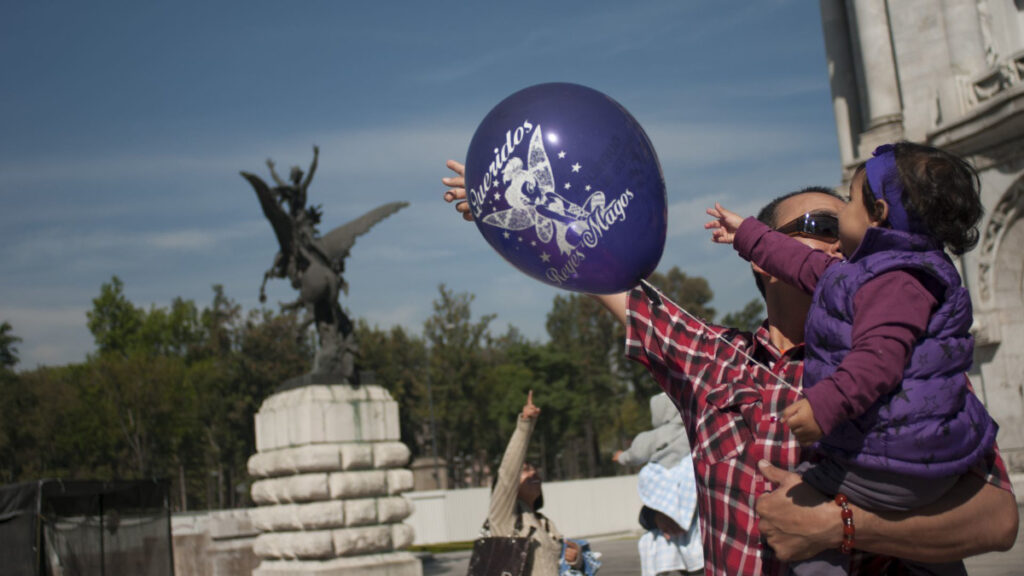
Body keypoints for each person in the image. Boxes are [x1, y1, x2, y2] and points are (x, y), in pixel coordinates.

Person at [442, 159, 1018, 575]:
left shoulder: (911, 359)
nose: (844, 243)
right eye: (820, 227)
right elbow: (599, 274)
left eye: (850, 221)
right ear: (767, 262)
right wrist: (508, 213)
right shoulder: (714, 357)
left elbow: (998, 520)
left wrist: (842, 526)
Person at [706, 142, 998, 574]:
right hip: (911, 462)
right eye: (817, 224)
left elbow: (877, 359)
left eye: (848, 202)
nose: (838, 217)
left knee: (800, 513)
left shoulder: (898, 283)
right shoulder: (877, 275)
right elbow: (804, 266)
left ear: (877, 214)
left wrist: (824, 407)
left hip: (900, 463)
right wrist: (747, 235)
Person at [488, 390, 592, 576]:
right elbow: (507, 474)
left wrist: (575, 559)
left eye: (534, 469)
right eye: (526, 470)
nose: (534, 473)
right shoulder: (504, 517)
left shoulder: (545, 523)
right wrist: (525, 425)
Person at [614, 392, 703, 575]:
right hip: (689, 489)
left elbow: (636, 454)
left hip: (665, 485)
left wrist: (621, 457)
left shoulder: (653, 436)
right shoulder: (696, 429)